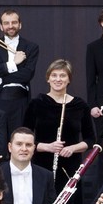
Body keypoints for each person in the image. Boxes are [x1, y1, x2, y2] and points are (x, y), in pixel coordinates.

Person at [26, 59, 94, 187]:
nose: (58, 79)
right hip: (42, 164)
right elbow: (24, 138)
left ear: (69, 79)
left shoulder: (80, 105)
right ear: (48, 79)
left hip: (71, 166)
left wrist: (72, 148)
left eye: (63, 76)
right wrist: (47, 147)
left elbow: (90, 140)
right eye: (54, 75)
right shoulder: (37, 103)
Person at [0, 9, 36, 124]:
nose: (10, 26)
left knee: (20, 133)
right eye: (6, 23)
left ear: (20, 25)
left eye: (14, 22)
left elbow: (27, 75)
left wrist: (0, 77)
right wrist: (13, 64)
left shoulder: (31, 47)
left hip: (21, 101)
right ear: (1, 26)